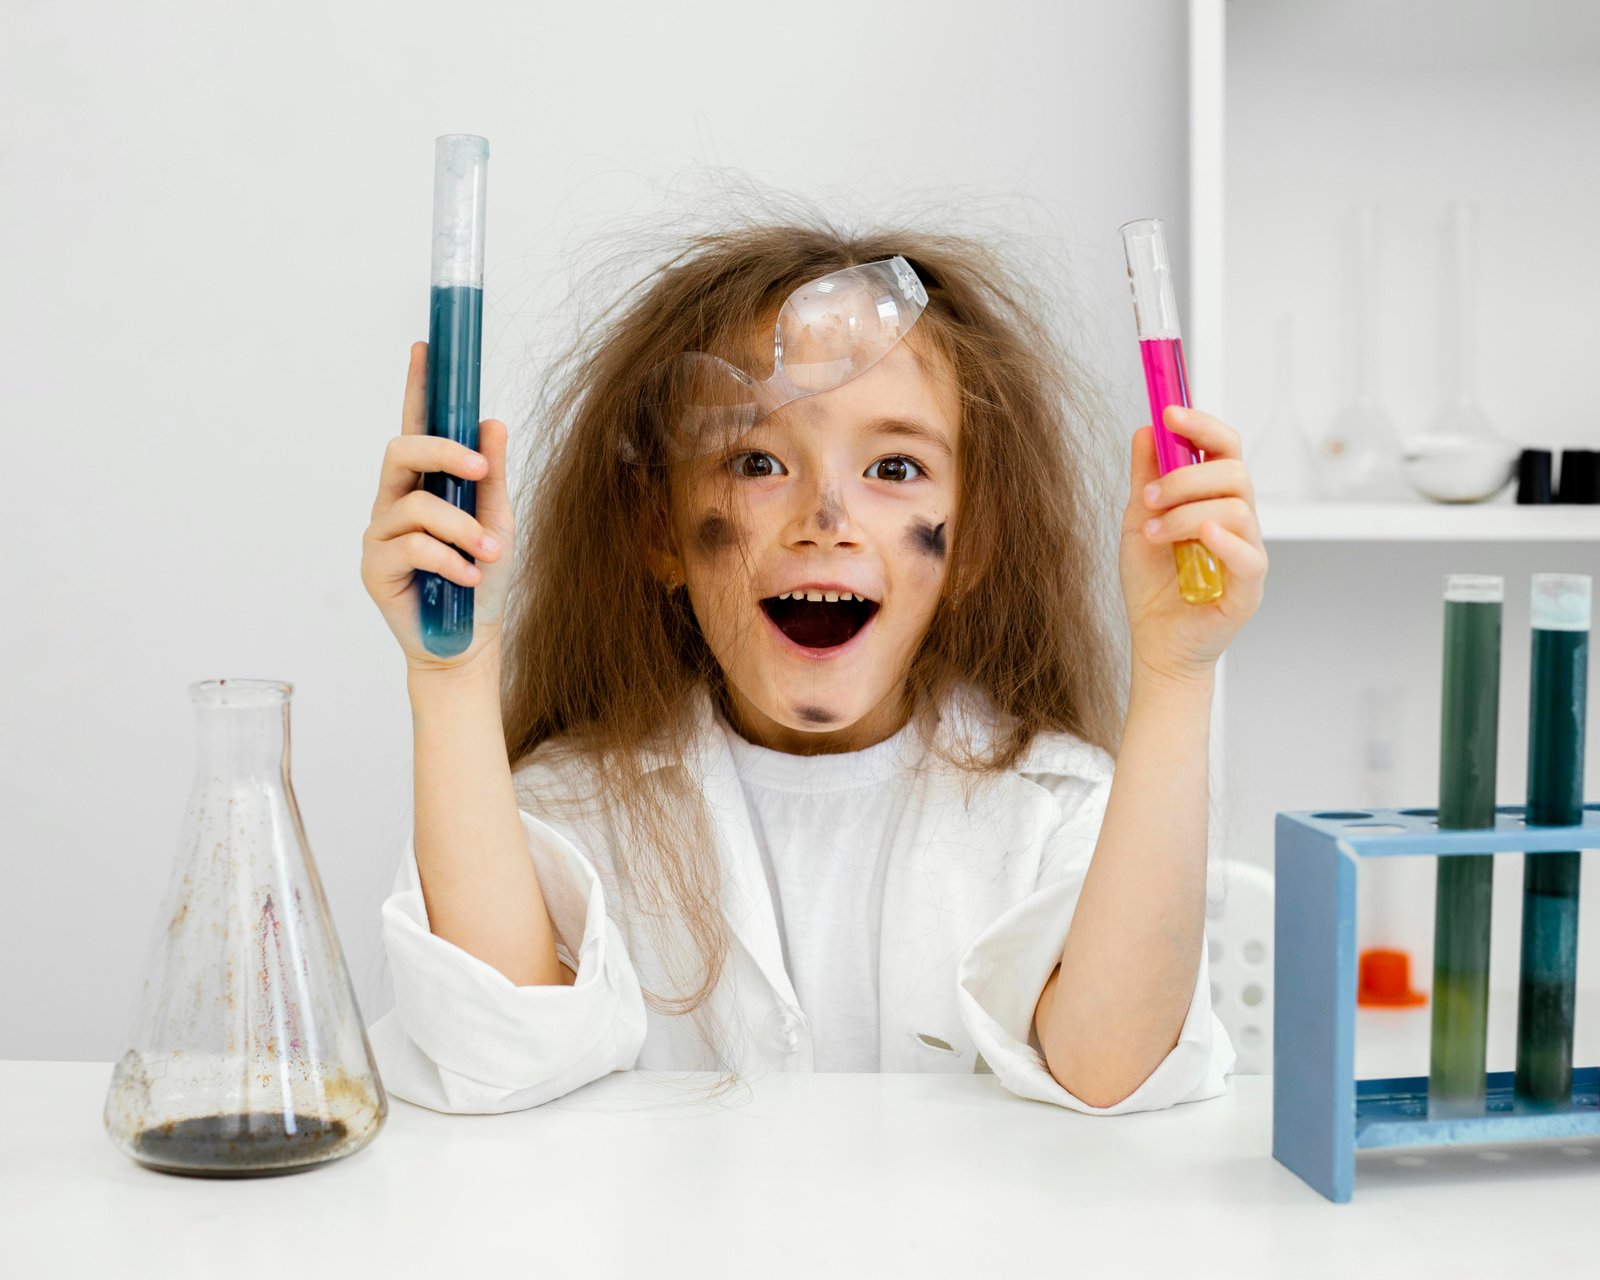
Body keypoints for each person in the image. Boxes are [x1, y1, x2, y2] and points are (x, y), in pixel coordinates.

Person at [358, 217, 1267, 1115]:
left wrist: (1179, 675)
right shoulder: (563, 809)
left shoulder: (1058, 809)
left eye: (896, 468)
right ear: (658, 530)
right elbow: (496, 1053)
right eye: (757, 460)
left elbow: (1111, 1070)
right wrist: (453, 674)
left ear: (975, 539)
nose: (825, 517)